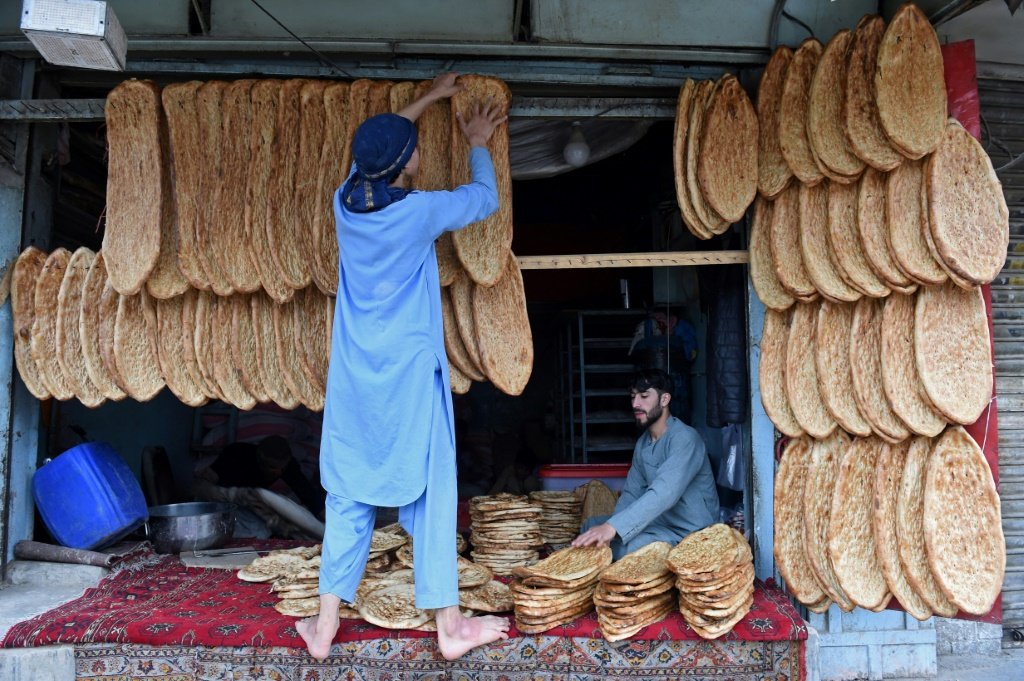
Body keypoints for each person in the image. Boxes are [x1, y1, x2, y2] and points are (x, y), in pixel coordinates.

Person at [298, 73, 510, 661]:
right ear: (404, 163)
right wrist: (476, 139)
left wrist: (430, 99)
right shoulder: (418, 212)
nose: (419, 148)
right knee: (433, 486)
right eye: (413, 146)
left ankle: (323, 626)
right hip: (411, 376)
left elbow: (377, 145)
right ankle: (450, 623)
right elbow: (485, 198)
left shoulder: (346, 202)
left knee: (348, 491)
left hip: (355, 375)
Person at [571, 368, 719, 560]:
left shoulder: (685, 438)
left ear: (664, 400)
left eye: (644, 396)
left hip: (690, 532)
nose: (635, 404)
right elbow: (632, 493)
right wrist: (611, 528)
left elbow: (664, 493)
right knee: (591, 527)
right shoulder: (643, 443)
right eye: (633, 397)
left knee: (623, 550)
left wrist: (614, 528)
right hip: (660, 524)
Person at [203, 435, 326, 518]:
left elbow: (307, 493)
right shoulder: (236, 456)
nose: (278, 472)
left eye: (282, 469)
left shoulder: (287, 465)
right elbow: (210, 483)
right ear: (260, 460)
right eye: (272, 468)